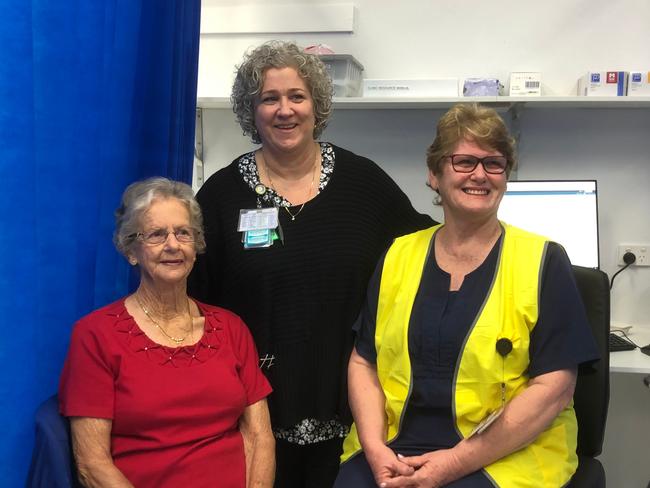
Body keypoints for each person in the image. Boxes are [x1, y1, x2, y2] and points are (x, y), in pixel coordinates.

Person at [188, 40, 434, 487]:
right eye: (270, 98)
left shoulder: (363, 183)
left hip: (354, 405)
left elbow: (425, 245)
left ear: (316, 104)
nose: (285, 110)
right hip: (254, 412)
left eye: (296, 96)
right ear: (251, 110)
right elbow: (195, 303)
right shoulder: (221, 197)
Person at [334, 103, 599, 488]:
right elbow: (364, 362)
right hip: (394, 447)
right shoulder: (397, 255)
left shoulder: (544, 260)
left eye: (494, 163)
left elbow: (555, 388)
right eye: (463, 162)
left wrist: (453, 464)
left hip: (505, 454)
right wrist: (375, 448)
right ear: (434, 173)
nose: (480, 174)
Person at [59, 177, 274, 488]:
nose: (173, 245)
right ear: (131, 250)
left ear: (196, 245)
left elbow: (259, 437)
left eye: (183, 233)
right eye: (157, 235)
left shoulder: (231, 328)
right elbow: (92, 464)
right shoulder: (95, 335)